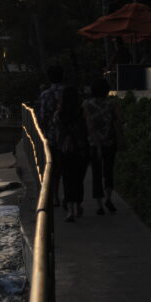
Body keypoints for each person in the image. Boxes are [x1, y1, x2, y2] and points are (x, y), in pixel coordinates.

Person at [83, 78, 123, 215]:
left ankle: (99, 204)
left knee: (96, 173)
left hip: (94, 143)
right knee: (109, 171)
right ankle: (109, 198)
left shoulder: (87, 104)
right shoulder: (112, 104)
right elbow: (119, 120)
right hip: (109, 142)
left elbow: (87, 124)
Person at [56, 85, 89, 222]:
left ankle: (70, 211)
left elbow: (56, 131)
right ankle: (77, 206)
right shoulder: (82, 112)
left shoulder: (59, 113)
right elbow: (87, 128)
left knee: (67, 179)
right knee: (78, 179)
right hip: (81, 149)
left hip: (65, 150)